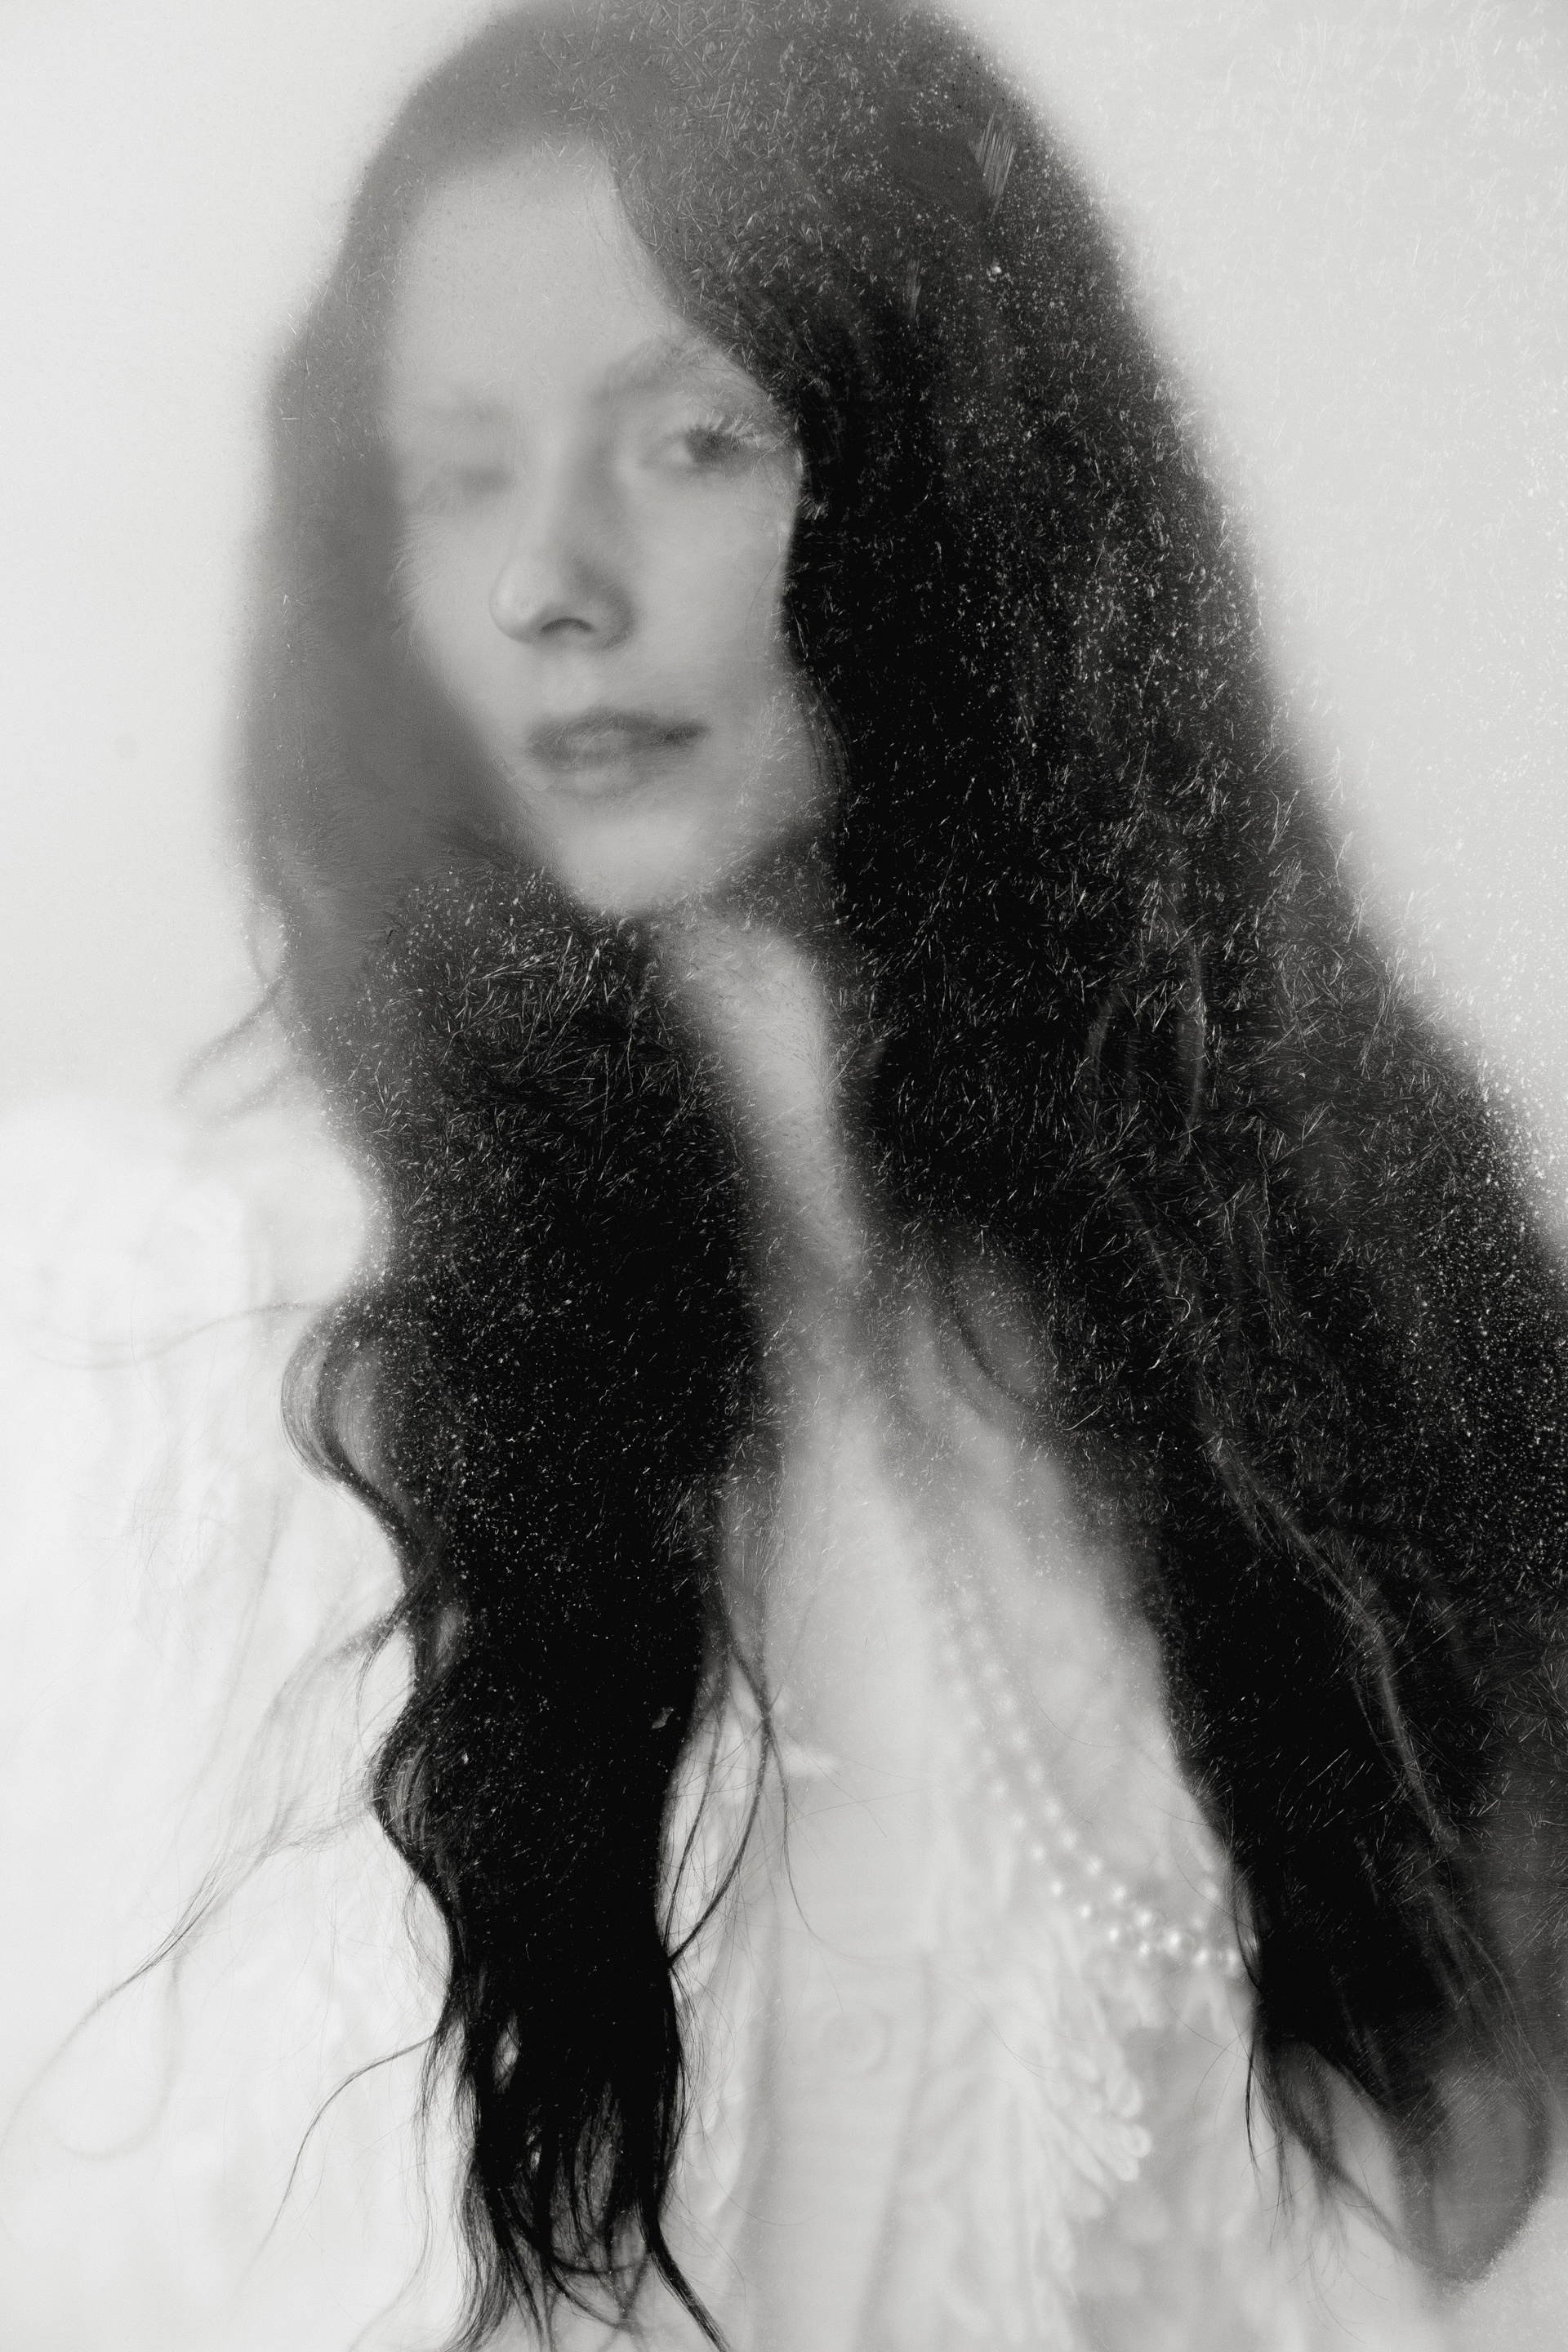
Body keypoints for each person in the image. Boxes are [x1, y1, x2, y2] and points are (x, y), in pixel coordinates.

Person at [7, 0, 1566, 2344]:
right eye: (459, 474)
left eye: (692, 440)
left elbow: (1447, 2202)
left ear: (959, 477)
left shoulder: (1312, 1321)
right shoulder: (149, 1334)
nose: (550, 581)